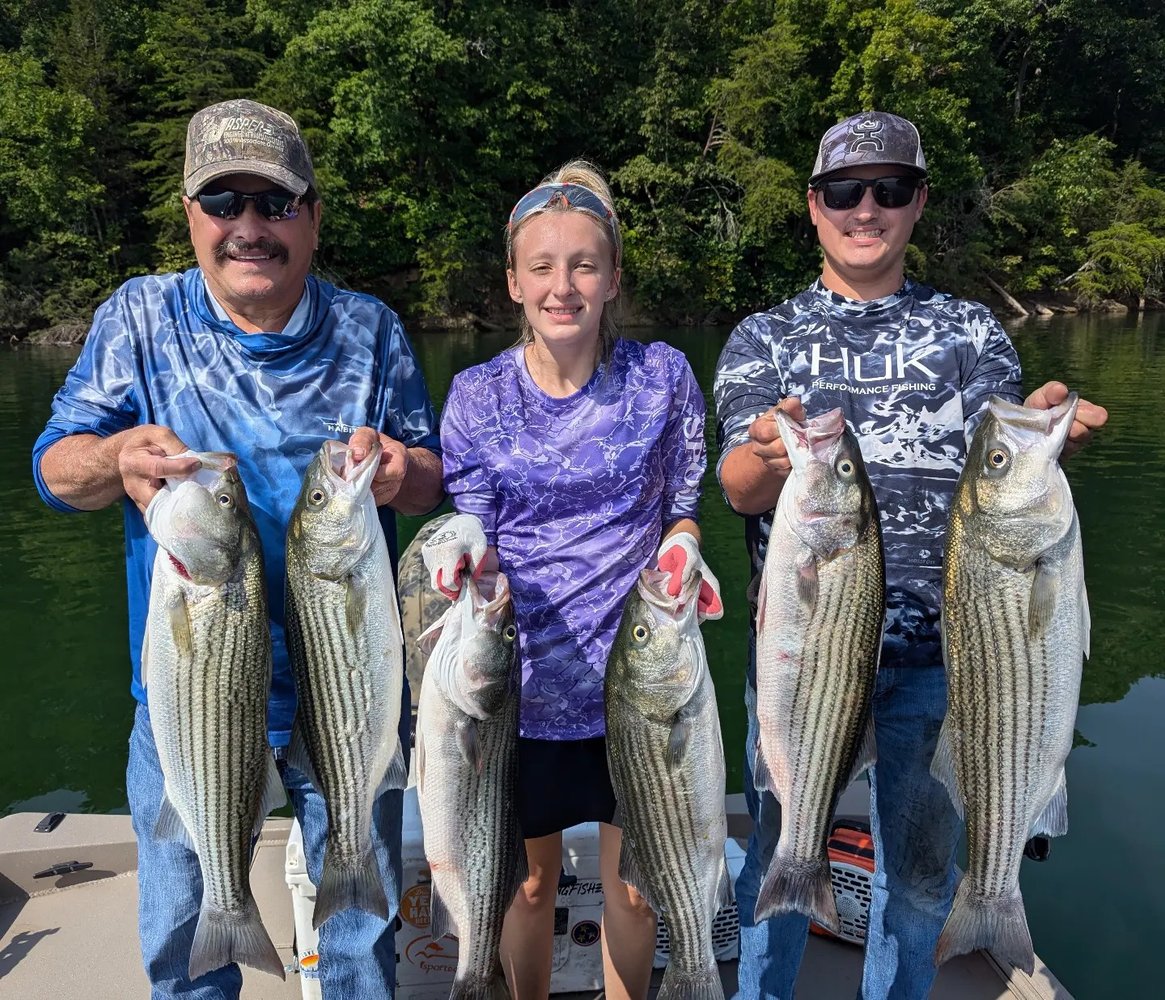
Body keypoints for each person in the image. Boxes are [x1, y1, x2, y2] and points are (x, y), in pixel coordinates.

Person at [32, 98, 444, 999]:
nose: (249, 227)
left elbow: (433, 481)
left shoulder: (369, 328)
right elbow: (55, 471)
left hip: (347, 690)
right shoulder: (139, 319)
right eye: (224, 204)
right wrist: (112, 456)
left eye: (275, 203)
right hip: (192, 699)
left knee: (357, 937)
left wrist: (404, 468)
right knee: (182, 942)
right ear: (190, 214)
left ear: (313, 216)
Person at [713, 111, 1108, 1000]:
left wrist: (1043, 445)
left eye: (889, 191)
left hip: (951, 661)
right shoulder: (762, 337)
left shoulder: (970, 332)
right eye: (845, 192)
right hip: (803, 660)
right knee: (780, 854)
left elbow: (998, 466)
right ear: (813, 207)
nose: (866, 210)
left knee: (921, 877)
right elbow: (737, 481)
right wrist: (764, 463)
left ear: (917, 203)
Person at [420, 160, 724, 999]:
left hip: (641, 685)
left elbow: (682, 506)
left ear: (614, 277)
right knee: (525, 882)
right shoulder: (477, 395)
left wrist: (684, 544)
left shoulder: (661, 376)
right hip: (511, 685)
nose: (564, 286)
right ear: (513, 281)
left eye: (584, 265)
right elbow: (469, 509)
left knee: (634, 883)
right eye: (543, 267)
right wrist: (463, 537)